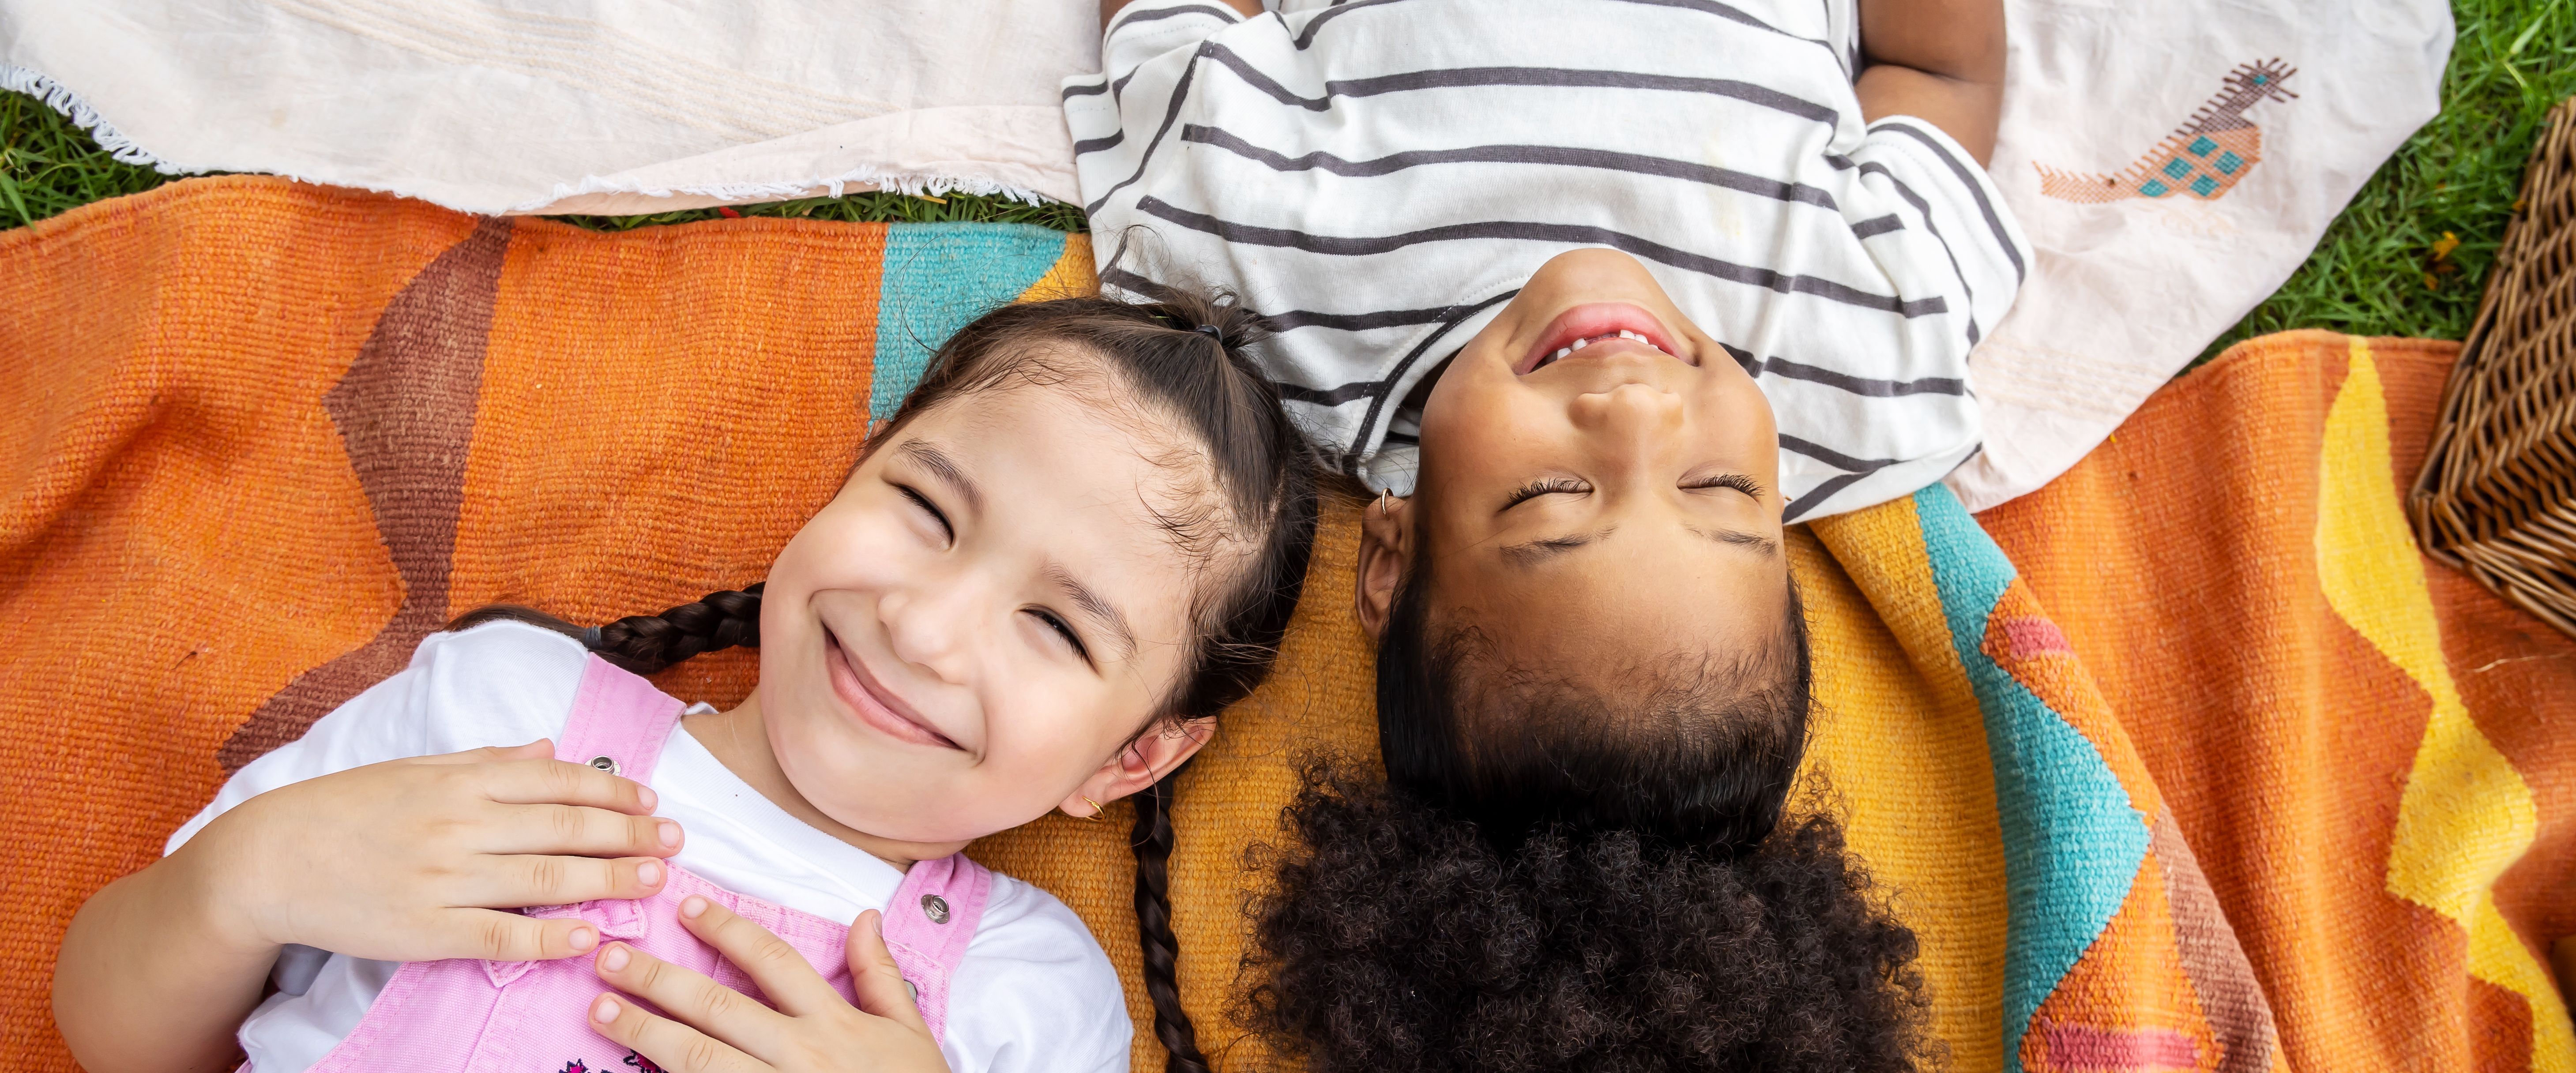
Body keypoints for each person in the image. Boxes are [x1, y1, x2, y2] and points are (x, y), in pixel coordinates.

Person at [1071, 0, 2021, 1068]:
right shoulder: (1863, 343)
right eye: (1720, 489)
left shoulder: (1265, 268)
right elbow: (1938, 72)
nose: (1635, 409)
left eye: (1548, 497)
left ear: (1388, 560)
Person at [52, 285, 1322, 1073]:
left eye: (1056, 626)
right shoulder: (504, 710)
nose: (925, 627)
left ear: (1133, 758)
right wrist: (244, 881)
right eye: (926, 509)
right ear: (852, 474)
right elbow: (113, 1036)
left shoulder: (1025, 1000)